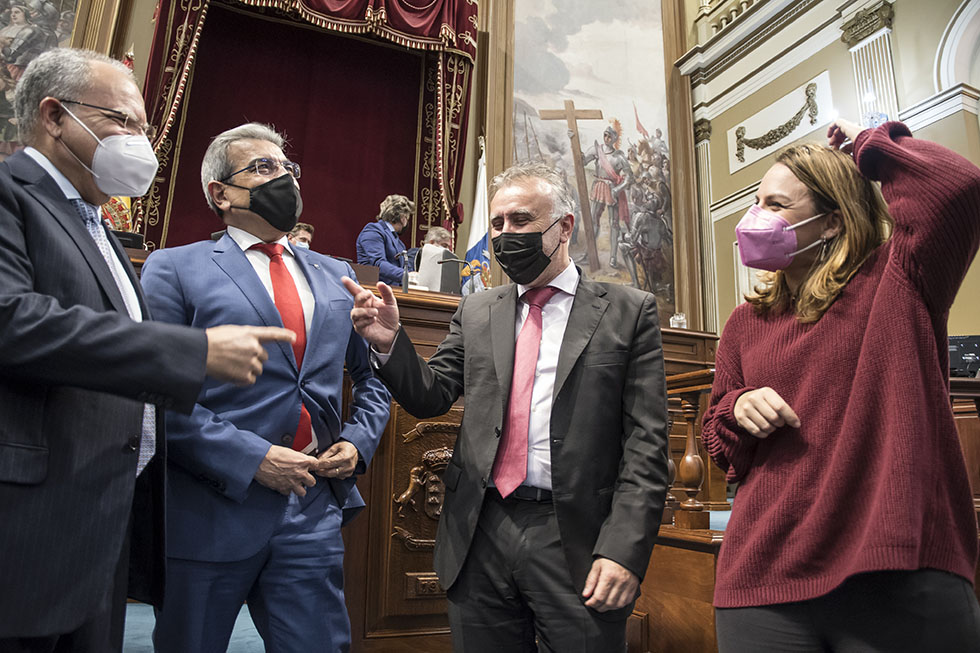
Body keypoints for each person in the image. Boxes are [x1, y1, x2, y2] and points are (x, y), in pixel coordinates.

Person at [0, 49, 293, 650]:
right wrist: (191, 353)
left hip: (101, 520)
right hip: (31, 519)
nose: (139, 140)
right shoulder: (11, 194)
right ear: (54, 116)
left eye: (143, 126)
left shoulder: (94, 222)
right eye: (122, 121)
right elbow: (13, 320)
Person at [343, 161, 670, 652]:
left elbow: (647, 442)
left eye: (520, 220)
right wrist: (390, 343)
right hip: (480, 530)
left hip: (576, 535)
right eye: (497, 223)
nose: (504, 234)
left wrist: (624, 549)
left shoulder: (628, 311)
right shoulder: (477, 309)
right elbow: (432, 395)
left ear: (564, 227)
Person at [701, 119, 980, 652]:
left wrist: (871, 143)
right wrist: (737, 407)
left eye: (776, 204)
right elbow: (717, 441)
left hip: (895, 570)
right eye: (756, 202)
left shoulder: (900, 275)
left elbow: (959, 187)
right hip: (763, 578)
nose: (755, 217)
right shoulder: (744, 323)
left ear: (831, 222)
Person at [141, 122, 391, 653]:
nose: (285, 179)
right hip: (209, 507)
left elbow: (371, 380)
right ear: (221, 194)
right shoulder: (174, 268)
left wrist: (357, 442)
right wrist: (251, 458)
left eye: (288, 168)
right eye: (263, 168)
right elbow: (157, 392)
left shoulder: (337, 274)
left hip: (311, 509)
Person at [356, 192, 413, 285]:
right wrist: (406, 275)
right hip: (374, 289)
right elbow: (378, 264)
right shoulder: (373, 230)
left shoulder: (400, 243)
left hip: (394, 290)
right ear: (403, 217)